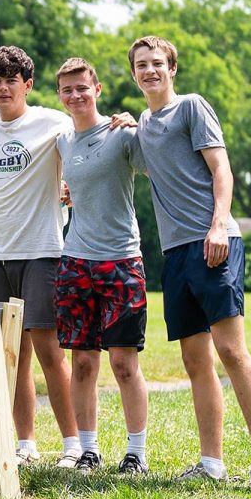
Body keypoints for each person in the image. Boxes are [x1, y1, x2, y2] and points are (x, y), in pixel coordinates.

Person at [129, 35, 251, 494]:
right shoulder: (143, 122)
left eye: (157, 63)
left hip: (214, 242)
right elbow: (141, 162)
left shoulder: (193, 107)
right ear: (134, 73)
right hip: (176, 253)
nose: (150, 70)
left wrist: (218, 225)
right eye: (141, 65)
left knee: (232, 351)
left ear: (172, 68)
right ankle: (211, 462)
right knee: (194, 358)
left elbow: (222, 169)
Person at [0, 45, 82, 467]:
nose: (3, 88)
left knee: (49, 351)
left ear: (28, 85)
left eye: (11, 81)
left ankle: (73, 445)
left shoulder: (53, 123)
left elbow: (90, 134)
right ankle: (26, 444)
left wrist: (72, 188)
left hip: (42, 251)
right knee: (5, 355)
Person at [54, 58, 150, 475]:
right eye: (67, 90)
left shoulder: (122, 134)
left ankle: (136, 453)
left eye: (82, 87)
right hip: (75, 262)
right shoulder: (62, 141)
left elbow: (155, 161)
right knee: (83, 364)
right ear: (60, 95)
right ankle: (89, 451)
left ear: (97, 89)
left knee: (124, 363)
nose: (75, 95)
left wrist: (138, 125)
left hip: (121, 262)